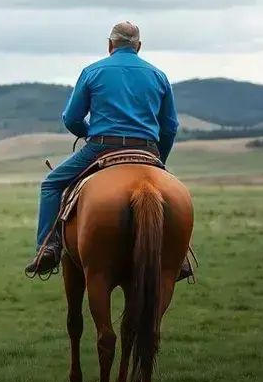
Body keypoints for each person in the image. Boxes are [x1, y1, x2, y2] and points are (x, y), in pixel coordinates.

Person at [26, 21, 194, 280]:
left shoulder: (92, 71)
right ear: (138, 46)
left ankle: (47, 248)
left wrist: (87, 132)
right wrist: (158, 160)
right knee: (173, 196)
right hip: (147, 151)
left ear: (110, 45)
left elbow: (71, 118)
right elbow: (170, 127)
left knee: (51, 184)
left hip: (101, 148)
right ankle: (178, 256)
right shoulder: (158, 75)